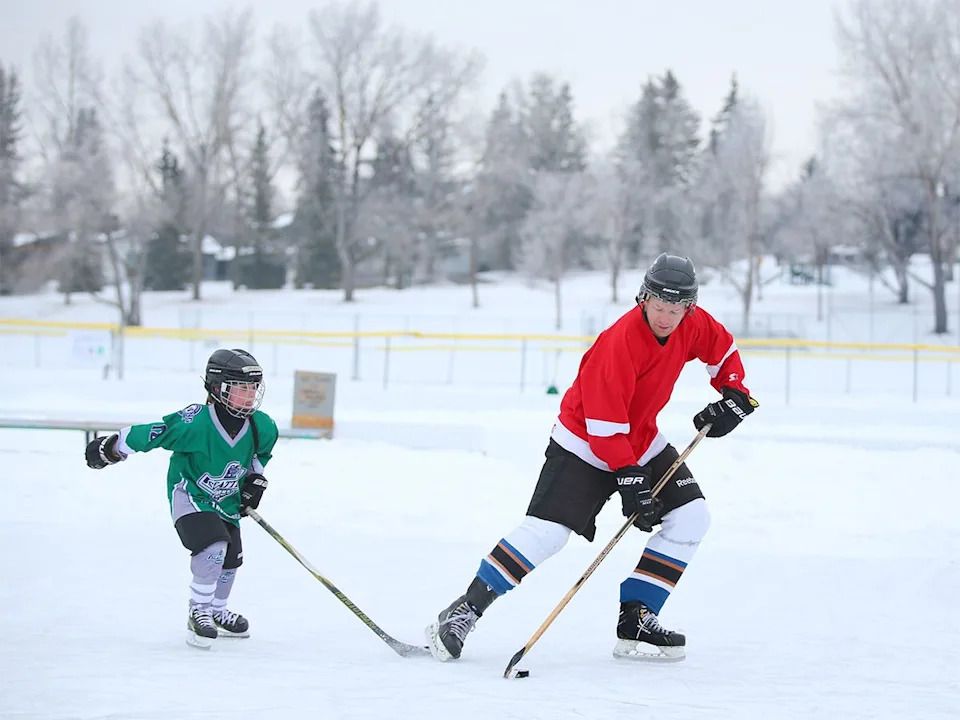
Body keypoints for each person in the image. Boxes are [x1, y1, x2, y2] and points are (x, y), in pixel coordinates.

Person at [425, 253, 758, 663]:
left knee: (691, 516)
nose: (667, 318)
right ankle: (464, 609)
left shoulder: (692, 322)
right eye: (659, 307)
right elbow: (604, 427)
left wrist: (736, 394)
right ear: (644, 298)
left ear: (689, 306)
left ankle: (638, 616)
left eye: (676, 309)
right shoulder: (620, 341)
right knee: (547, 534)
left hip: (640, 439)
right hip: (583, 443)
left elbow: (724, 353)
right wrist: (630, 481)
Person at [84, 348, 279, 649]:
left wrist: (255, 482)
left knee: (231, 560)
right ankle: (198, 611)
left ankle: (217, 610)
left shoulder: (261, 425)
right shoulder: (196, 421)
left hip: (225, 501)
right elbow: (154, 433)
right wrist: (112, 448)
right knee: (213, 547)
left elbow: (258, 458)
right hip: (190, 495)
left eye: (253, 388)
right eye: (241, 388)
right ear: (218, 388)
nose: (250, 395)